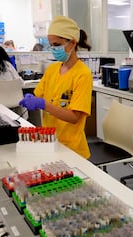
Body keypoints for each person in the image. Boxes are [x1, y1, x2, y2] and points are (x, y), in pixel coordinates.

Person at [19, 16, 93, 159]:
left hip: (72, 149)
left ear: (72, 43)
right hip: (50, 142)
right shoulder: (52, 69)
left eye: (57, 44)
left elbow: (73, 117)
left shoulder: (82, 74)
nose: (53, 49)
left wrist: (44, 104)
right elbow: (39, 96)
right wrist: (32, 99)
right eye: (51, 45)